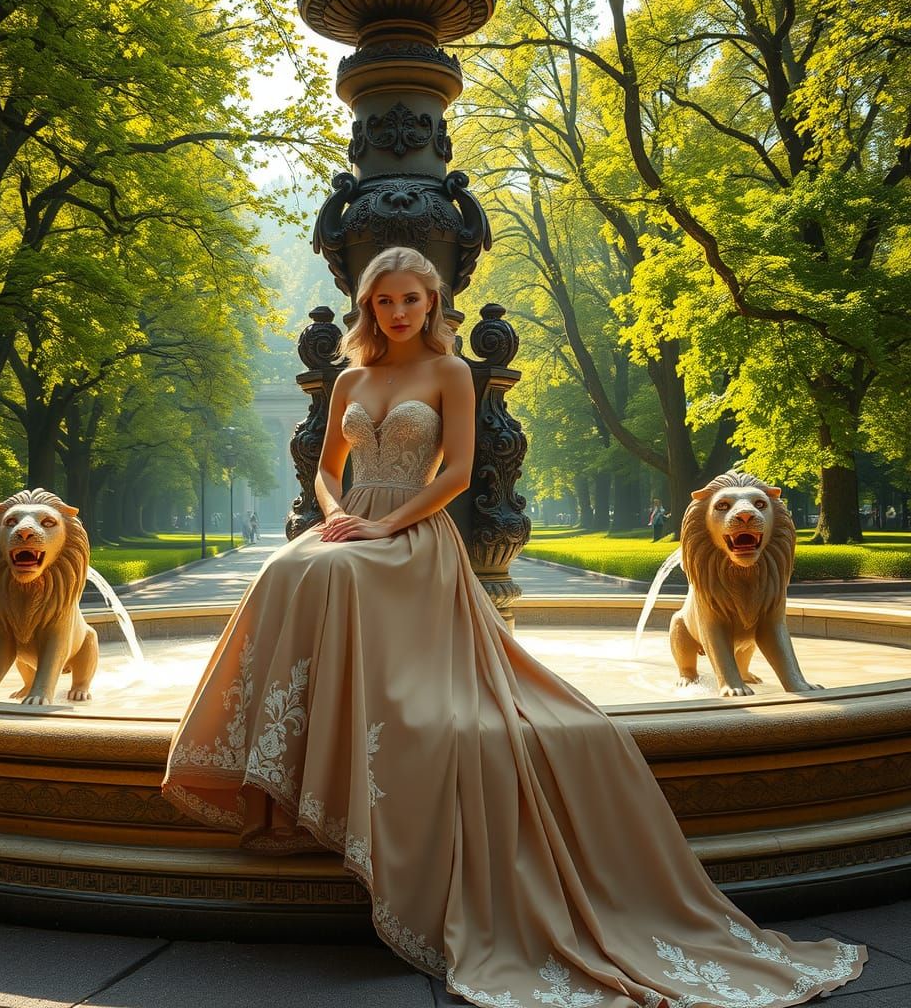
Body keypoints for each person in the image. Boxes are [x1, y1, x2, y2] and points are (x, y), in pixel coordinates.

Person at [163, 248, 864, 1008]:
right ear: (368, 309)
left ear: (432, 304)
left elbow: (458, 473)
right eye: (384, 302)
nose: (397, 313)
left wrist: (384, 525)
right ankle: (277, 783)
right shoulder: (352, 379)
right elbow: (327, 470)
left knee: (322, 571)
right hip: (352, 531)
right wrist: (338, 517)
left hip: (414, 539)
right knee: (289, 567)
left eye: (410, 300)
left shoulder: (450, 374)